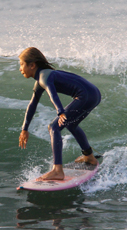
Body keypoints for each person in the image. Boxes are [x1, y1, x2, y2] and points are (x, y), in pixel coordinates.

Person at [18, 46, 101, 182]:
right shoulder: (42, 78)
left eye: (22, 65)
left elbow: (52, 92)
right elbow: (32, 105)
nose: (20, 69)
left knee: (54, 127)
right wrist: (24, 129)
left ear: (32, 65)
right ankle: (89, 157)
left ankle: (57, 170)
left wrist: (60, 111)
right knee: (71, 125)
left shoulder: (44, 77)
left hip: (85, 95)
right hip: (93, 93)